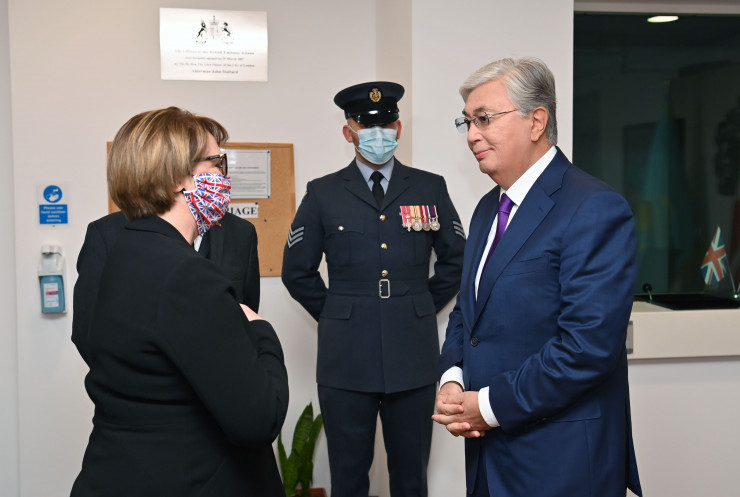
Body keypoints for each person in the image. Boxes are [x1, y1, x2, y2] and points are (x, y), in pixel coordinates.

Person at [432, 57, 642, 497]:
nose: (472, 135)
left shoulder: (594, 207)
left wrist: (486, 405)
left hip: (561, 460)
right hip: (489, 457)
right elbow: (469, 312)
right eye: (467, 121)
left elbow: (586, 347)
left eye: (484, 118)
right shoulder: (487, 208)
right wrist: (453, 376)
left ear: (537, 121)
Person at [70, 106, 288, 497]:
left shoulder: (129, 251)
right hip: (191, 475)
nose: (224, 176)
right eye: (216, 163)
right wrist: (261, 331)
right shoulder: (186, 273)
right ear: (176, 179)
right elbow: (260, 418)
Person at [281, 81, 466, 497]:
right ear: (348, 131)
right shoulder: (323, 193)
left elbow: (457, 260)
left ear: (398, 128)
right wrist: (338, 312)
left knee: (411, 477)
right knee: (348, 478)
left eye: (386, 124)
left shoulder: (429, 187)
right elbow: (297, 271)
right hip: (346, 357)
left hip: (411, 352)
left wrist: (420, 305)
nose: (377, 134)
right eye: (366, 125)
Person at [72, 209, 260, 362]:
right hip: (136, 392)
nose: (220, 178)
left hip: (221, 388)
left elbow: (246, 323)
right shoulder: (108, 232)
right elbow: (86, 330)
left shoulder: (241, 232)